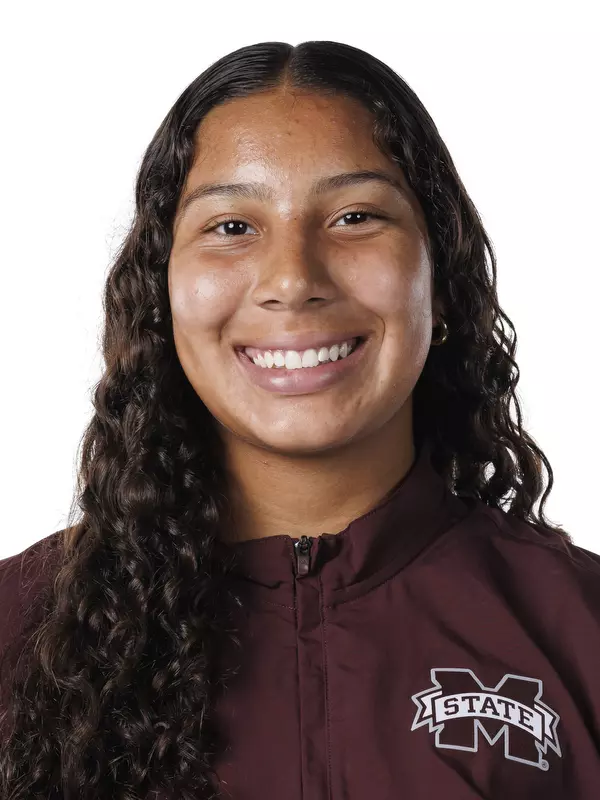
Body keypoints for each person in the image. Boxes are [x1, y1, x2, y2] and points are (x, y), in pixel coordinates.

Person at [0, 39, 599, 800]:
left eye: (355, 216)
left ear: (440, 280)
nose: (292, 279)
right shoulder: (18, 629)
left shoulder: (579, 628)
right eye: (232, 227)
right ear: (162, 288)